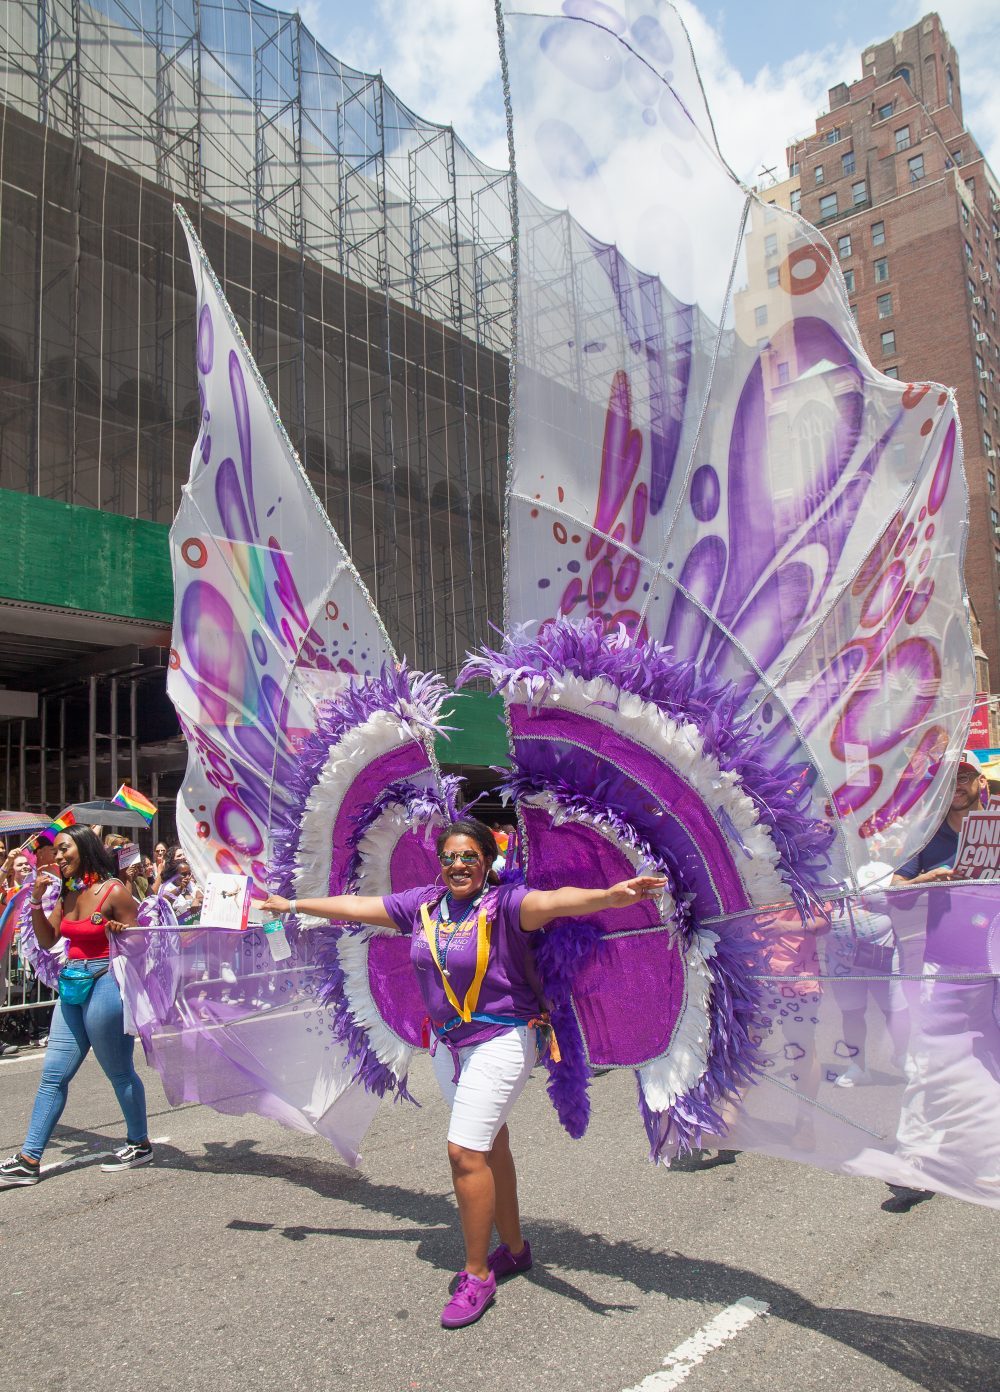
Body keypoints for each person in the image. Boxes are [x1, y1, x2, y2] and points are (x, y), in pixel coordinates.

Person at [261, 817, 665, 1329]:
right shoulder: (423, 905)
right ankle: (514, 1249)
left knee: (464, 1151)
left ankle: (478, 1274)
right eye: (450, 857)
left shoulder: (507, 906)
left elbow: (559, 901)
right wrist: (293, 906)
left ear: (487, 860)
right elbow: (359, 908)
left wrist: (612, 895)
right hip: (448, 1047)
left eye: (469, 856)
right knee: (491, 1143)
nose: (458, 865)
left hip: (502, 1040)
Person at [0, 826, 153, 1187]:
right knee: (53, 1074)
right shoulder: (69, 892)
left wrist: (121, 931)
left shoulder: (113, 891)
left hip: (105, 985)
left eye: (64, 849)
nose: (58, 857)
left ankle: (139, 1142)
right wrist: (37, 901)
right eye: (56, 851)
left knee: (118, 1072)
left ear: (84, 848)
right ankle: (29, 1158)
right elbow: (49, 937)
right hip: (72, 985)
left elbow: (144, 946)